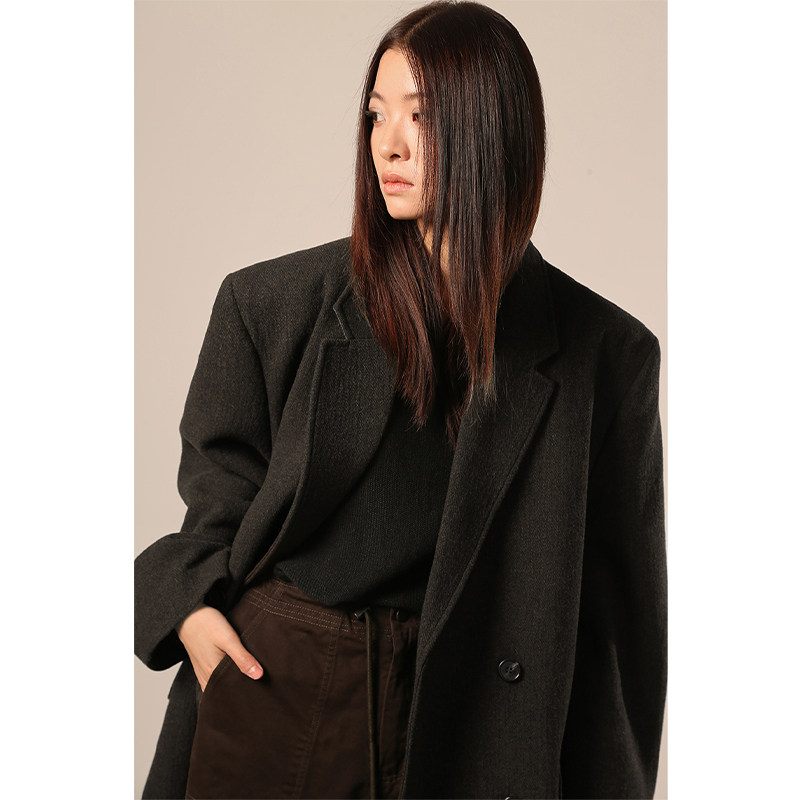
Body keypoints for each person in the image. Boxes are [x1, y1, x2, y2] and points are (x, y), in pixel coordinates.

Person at [135, 1, 667, 798]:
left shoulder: (607, 354)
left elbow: (618, 636)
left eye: (421, 115)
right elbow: (216, 517)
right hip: (283, 698)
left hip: (478, 726)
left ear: (494, 127)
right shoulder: (268, 306)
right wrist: (190, 612)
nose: (388, 143)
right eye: (376, 114)